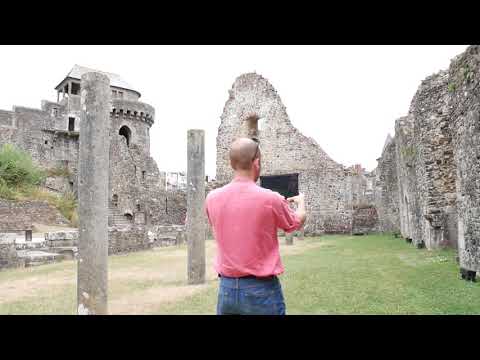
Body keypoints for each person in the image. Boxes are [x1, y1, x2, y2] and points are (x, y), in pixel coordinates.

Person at [204, 137, 306, 315]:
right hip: (261, 289)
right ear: (256, 162)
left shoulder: (212, 198)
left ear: (231, 163)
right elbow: (295, 223)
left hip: (226, 289)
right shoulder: (271, 198)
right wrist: (302, 202)